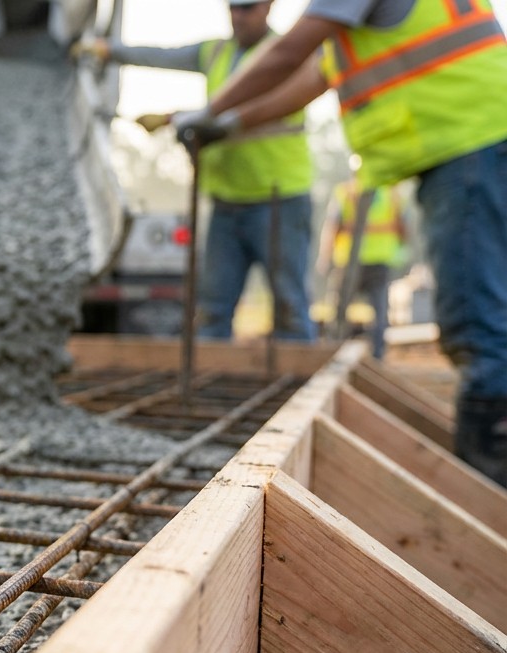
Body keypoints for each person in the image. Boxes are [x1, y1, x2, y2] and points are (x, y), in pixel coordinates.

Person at [172, 0, 507, 487]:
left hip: (474, 145)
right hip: (476, 144)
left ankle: (492, 487)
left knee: (477, 327)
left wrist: (210, 108)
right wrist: (232, 124)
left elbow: (289, 52)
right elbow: (310, 78)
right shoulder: (353, 25)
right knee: (485, 319)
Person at [76, 0, 318, 342]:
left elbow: (261, 107)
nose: (238, 16)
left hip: (279, 200)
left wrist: (183, 117)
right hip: (226, 202)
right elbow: (162, 55)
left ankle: (297, 380)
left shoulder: (286, 55)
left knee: (290, 307)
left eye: (247, 8)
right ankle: (212, 384)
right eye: (233, 8)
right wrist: (108, 50)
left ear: (268, 7)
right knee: (211, 310)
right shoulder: (215, 51)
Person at [317, 177, 408, 359]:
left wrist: (325, 257)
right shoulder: (390, 193)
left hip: (357, 261)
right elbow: (403, 228)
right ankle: (376, 355)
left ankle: (337, 349)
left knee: (345, 310)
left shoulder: (346, 192)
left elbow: (332, 226)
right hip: (363, 261)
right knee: (376, 311)